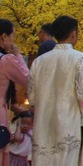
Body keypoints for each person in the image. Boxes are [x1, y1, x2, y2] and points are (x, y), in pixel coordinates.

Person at [29, 15, 83, 166]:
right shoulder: (80, 58)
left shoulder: (39, 61)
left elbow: (32, 98)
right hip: (68, 125)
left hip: (43, 126)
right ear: (73, 34)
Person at [0, 20, 30, 166]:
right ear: (3, 37)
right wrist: (17, 55)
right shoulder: (5, 60)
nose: (13, 41)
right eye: (13, 36)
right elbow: (27, 79)